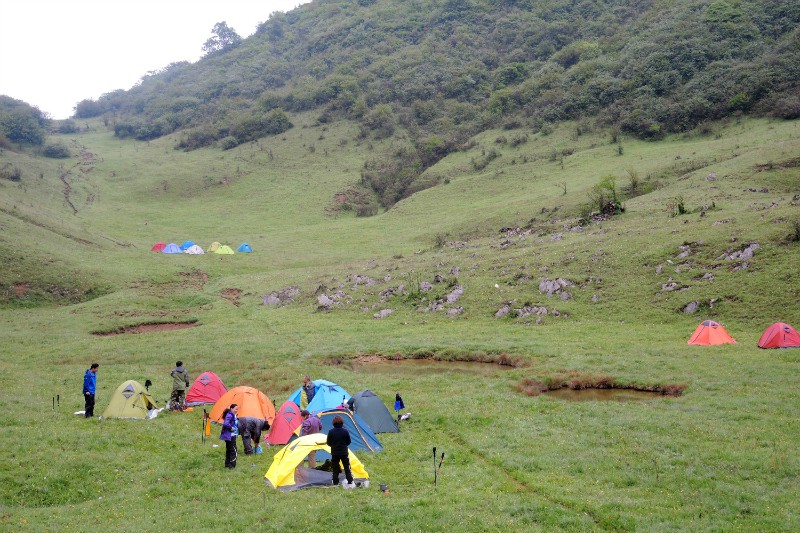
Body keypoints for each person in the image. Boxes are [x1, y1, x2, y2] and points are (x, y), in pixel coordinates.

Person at [326, 415, 354, 488]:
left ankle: (335, 482)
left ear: (333, 423)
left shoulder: (331, 431)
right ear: (342, 422)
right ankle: (350, 481)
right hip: (344, 452)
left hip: (335, 453)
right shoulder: (345, 431)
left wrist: (334, 445)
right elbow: (349, 441)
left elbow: (328, 443)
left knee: (335, 468)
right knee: (346, 467)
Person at [220, 404, 239, 469]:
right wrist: (231, 428)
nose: (237, 410)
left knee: (229, 450)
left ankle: (227, 465)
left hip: (230, 435)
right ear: (231, 409)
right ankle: (232, 466)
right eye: (235, 409)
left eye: (237, 409)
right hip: (231, 435)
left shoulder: (233, 415)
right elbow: (226, 423)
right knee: (234, 450)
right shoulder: (230, 415)